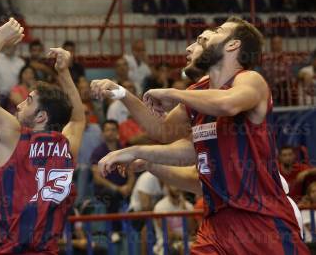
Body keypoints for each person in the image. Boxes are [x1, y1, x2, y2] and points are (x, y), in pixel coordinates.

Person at [94, 17, 309, 253]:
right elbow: (165, 132)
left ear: (232, 45)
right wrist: (122, 95)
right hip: (216, 223)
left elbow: (227, 104)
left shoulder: (249, 79)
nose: (197, 43)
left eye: (217, 31)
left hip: (261, 219)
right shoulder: (198, 92)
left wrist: (172, 93)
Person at [0, 18, 86, 253]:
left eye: (28, 101)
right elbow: (78, 118)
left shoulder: (15, 137)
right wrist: (64, 72)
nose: (19, 104)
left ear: (41, 117)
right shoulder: (68, 145)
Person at [152, 185, 195, 255]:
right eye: (173, 184)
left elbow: (191, 230)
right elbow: (170, 235)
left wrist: (185, 209)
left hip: (186, 242)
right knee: (182, 249)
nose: (177, 186)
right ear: (167, 186)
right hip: (165, 244)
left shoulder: (188, 206)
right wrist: (186, 237)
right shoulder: (160, 207)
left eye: (178, 183)